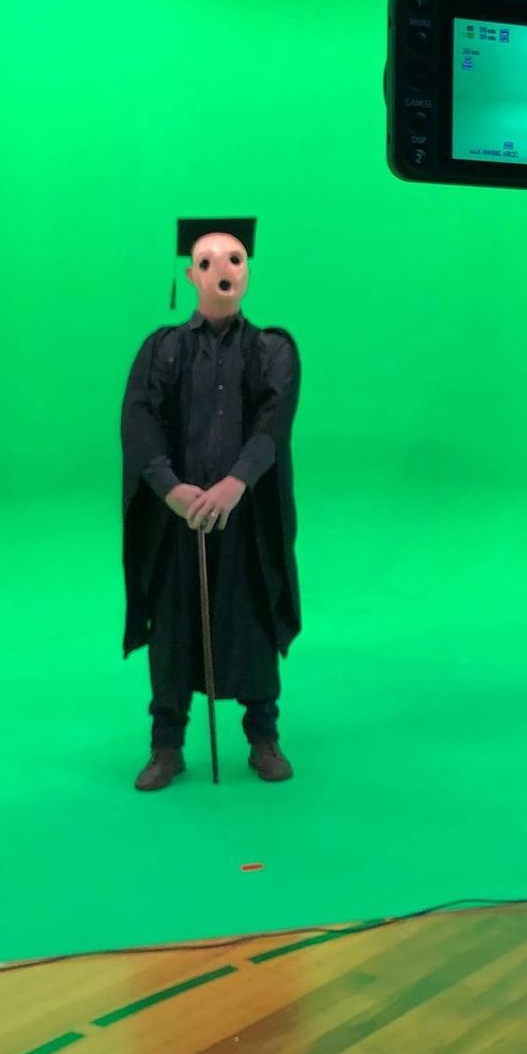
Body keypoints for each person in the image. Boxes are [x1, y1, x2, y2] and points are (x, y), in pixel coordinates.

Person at [121, 218, 303, 791]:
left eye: (235, 259)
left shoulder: (273, 349)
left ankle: (263, 737)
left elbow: (274, 424)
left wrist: (235, 484)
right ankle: (166, 746)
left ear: (247, 272)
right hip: (179, 520)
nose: (222, 269)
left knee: (251, 623)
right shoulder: (162, 349)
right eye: (208, 262)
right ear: (190, 276)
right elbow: (140, 422)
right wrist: (171, 489)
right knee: (173, 629)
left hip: (244, 519)